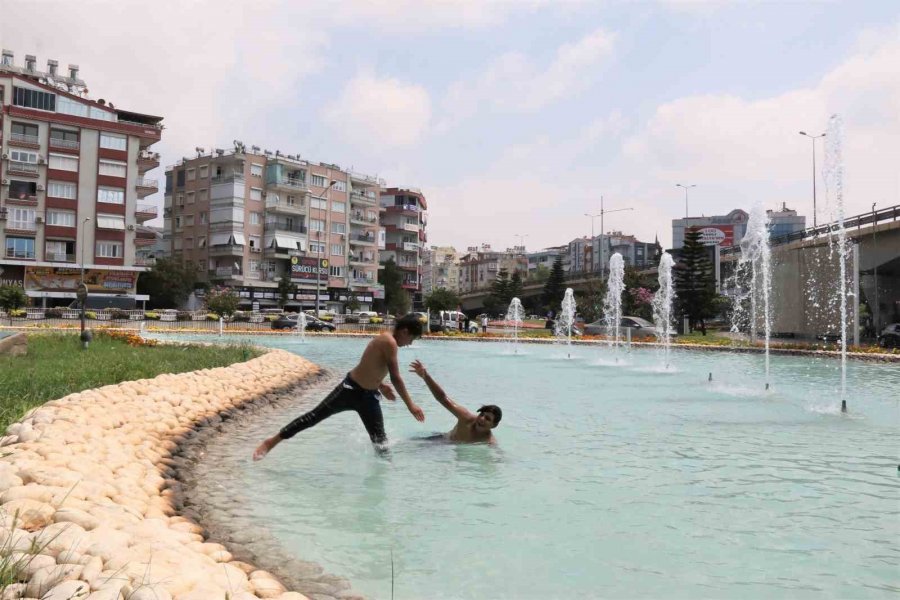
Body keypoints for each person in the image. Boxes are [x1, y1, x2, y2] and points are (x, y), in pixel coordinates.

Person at [253, 314, 426, 460]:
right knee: (313, 417)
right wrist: (411, 405)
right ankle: (271, 442)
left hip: (369, 398)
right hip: (349, 390)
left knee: (381, 442)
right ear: (404, 331)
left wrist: (379, 385)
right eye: (412, 338)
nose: (410, 343)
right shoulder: (389, 342)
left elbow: (369, 364)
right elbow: (396, 377)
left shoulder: (388, 340)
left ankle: (383, 477)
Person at [409, 359, 501, 444]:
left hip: (453, 452)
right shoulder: (465, 417)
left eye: (487, 418)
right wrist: (426, 376)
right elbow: (443, 398)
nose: (481, 419)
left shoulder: (489, 441)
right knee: (410, 444)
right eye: (481, 415)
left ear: (494, 425)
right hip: (442, 440)